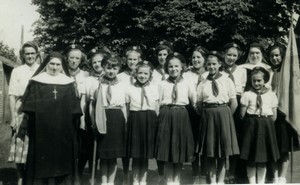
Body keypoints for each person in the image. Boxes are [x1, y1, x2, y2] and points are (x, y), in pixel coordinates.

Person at [22, 52, 82, 185]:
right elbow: (29, 108)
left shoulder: (68, 83)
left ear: (62, 67)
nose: (54, 68)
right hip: (41, 131)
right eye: (52, 64)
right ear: (46, 64)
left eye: (58, 65)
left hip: (63, 131)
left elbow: (74, 110)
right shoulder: (37, 81)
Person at [196, 51, 239, 184]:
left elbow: (234, 103)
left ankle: (220, 181)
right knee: (210, 152)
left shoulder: (227, 80)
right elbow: (198, 104)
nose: (211, 67)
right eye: (208, 64)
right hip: (208, 115)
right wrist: (206, 116)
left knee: (222, 152)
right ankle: (212, 181)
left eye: (214, 64)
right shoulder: (203, 83)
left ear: (220, 64)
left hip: (224, 114)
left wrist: (225, 117)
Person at [155, 52, 196, 185]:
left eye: (176, 66)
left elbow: (194, 102)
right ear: (167, 67)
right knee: (167, 150)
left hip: (181, 116)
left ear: (182, 67)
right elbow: (157, 102)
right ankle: (168, 180)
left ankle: (176, 180)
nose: (174, 69)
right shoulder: (162, 84)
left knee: (178, 151)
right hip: (166, 115)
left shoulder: (188, 83)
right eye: (171, 66)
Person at [90, 54, 126, 185]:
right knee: (104, 154)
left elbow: (123, 106)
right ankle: (103, 181)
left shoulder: (122, 85)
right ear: (103, 67)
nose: (111, 71)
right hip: (102, 117)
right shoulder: (97, 84)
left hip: (116, 118)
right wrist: (94, 121)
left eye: (114, 68)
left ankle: (111, 182)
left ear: (119, 69)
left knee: (113, 154)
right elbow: (92, 105)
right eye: (108, 68)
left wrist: (125, 123)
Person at [239, 67, 280, 184]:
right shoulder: (247, 94)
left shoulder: (271, 95)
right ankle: (252, 182)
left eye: (259, 80)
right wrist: (252, 122)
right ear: (251, 81)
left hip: (266, 126)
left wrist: (265, 123)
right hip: (251, 126)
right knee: (251, 157)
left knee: (262, 157)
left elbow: (274, 115)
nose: (256, 83)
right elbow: (242, 114)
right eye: (254, 81)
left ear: (265, 80)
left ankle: (261, 182)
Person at [8, 41, 40, 185]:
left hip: (38, 110)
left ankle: (34, 177)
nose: (30, 56)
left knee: (35, 144)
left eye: (32, 53)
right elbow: (12, 95)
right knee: (20, 144)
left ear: (37, 54)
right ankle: (21, 178)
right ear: (23, 55)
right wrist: (14, 118)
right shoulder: (17, 70)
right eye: (27, 53)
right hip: (21, 109)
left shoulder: (42, 70)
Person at [267, 43, 300, 183]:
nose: (274, 58)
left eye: (277, 55)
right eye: (272, 55)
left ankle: (282, 177)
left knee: (284, 148)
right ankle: (274, 177)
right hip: (269, 113)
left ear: (282, 56)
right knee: (272, 148)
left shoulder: (289, 73)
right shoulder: (267, 71)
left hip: (284, 113)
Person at [126, 61, 159, 185]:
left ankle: (143, 180)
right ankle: (135, 180)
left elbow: (156, 107)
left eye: (146, 73)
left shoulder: (154, 88)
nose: (142, 76)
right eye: (140, 73)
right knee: (136, 153)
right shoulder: (129, 89)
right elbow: (127, 107)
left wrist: (156, 122)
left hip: (149, 119)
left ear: (150, 75)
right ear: (135, 74)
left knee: (145, 153)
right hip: (135, 119)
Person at [78, 49, 109, 180]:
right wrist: (83, 119)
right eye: (94, 62)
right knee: (86, 148)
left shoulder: (110, 78)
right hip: (90, 114)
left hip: (105, 115)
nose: (97, 64)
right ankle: (78, 176)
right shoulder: (88, 79)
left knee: (101, 149)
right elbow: (83, 100)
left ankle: (95, 176)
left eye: (100, 61)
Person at [222, 42, 247, 183]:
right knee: (223, 139)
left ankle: (233, 172)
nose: (231, 58)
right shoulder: (219, 69)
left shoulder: (242, 70)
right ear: (224, 54)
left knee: (235, 140)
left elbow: (242, 90)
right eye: (229, 54)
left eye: (234, 55)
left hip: (237, 102)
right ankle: (222, 172)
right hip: (223, 103)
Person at [182, 46, 208, 184]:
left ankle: (203, 174)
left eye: (199, 57)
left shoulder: (210, 73)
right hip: (190, 112)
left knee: (204, 143)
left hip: (206, 111)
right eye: (194, 57)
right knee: (193, 143)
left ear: (204, 59)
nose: (196, 60)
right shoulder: (186, 75)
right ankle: (195, 174)